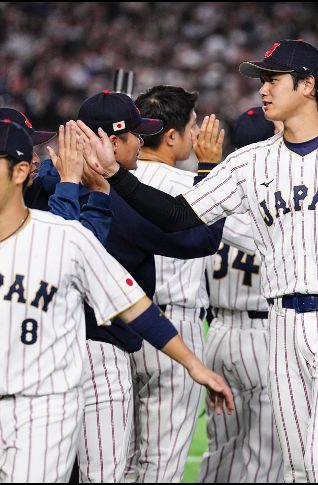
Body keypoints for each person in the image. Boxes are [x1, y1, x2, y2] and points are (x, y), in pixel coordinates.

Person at [76, 39, 318, 483]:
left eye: (273, 79)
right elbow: (179, 216)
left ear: (307, 85)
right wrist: (116, 175)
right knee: (298, 469)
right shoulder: (250, 162)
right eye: (262, 80)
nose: (262, 89)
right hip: (281, 323)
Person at [0, 119, 233, 482]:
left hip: (39, 413)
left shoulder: (66, 239)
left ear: (21, 172)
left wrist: (193, 365)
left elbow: (132, 303)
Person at [126, 85, 225, 483]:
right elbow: (253, 236)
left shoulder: (114, 180)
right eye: (192, 125)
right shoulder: (191, 186)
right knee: (160, 464)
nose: (197, 132)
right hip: (177, 329)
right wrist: (212, 171)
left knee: (113, 461)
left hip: (122, 325)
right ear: (171, 136)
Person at [197, 106, 284, 483]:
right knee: (266, 454)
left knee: (221, 450)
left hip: (216, 335)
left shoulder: (212, 196)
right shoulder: (276, 201)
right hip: (263, 336)